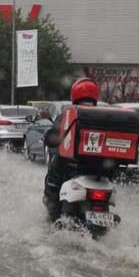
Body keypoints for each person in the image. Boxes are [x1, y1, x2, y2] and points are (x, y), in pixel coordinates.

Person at [43, 77, 100, 219]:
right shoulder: (106, 116)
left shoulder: (67, 116)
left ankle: (54, 215)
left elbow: (52, 139)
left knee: (52, 182)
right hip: (99, 171)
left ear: (74, 95)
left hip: (70, 170)